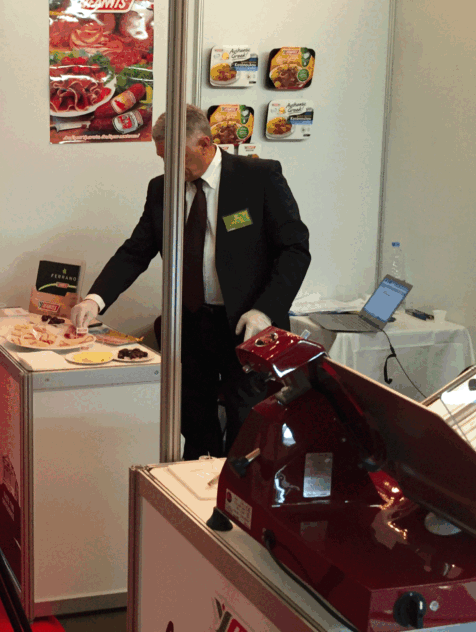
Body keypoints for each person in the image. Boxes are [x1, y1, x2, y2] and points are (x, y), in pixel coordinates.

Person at [71, 104, 310, 459]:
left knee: (247, 426)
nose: (169, 169)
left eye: (176, 158)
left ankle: (234, 501)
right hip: (191, 326)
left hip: (247, 328)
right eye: (162, 159)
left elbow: (294, 250)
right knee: (194, 424)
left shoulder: (257, 177)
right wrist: (95, 299)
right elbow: (136, 251)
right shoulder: (162, 189)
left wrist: (265, 310)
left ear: (204, 144)